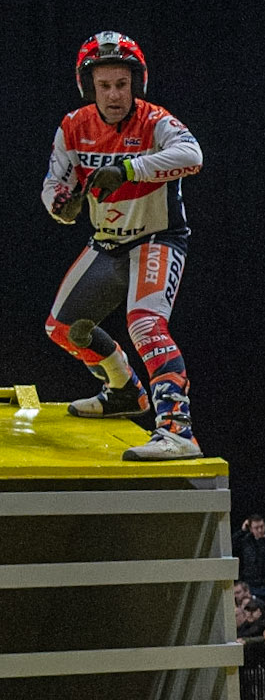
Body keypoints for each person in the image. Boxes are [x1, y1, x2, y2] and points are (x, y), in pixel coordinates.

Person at [42, 31, 203, 458]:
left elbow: (193, 155)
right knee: (60, 329)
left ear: (137, 83)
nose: (114, 95)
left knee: (145, 323)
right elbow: (53, 185)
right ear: (88, 87)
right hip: (107, 243)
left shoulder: (155, 120)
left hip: (158, 238)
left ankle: (178, 431)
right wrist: (60, 204)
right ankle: (123, 390)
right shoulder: (73, 126)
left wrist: (129, 168)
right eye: (104, 85)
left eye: (122, 84)